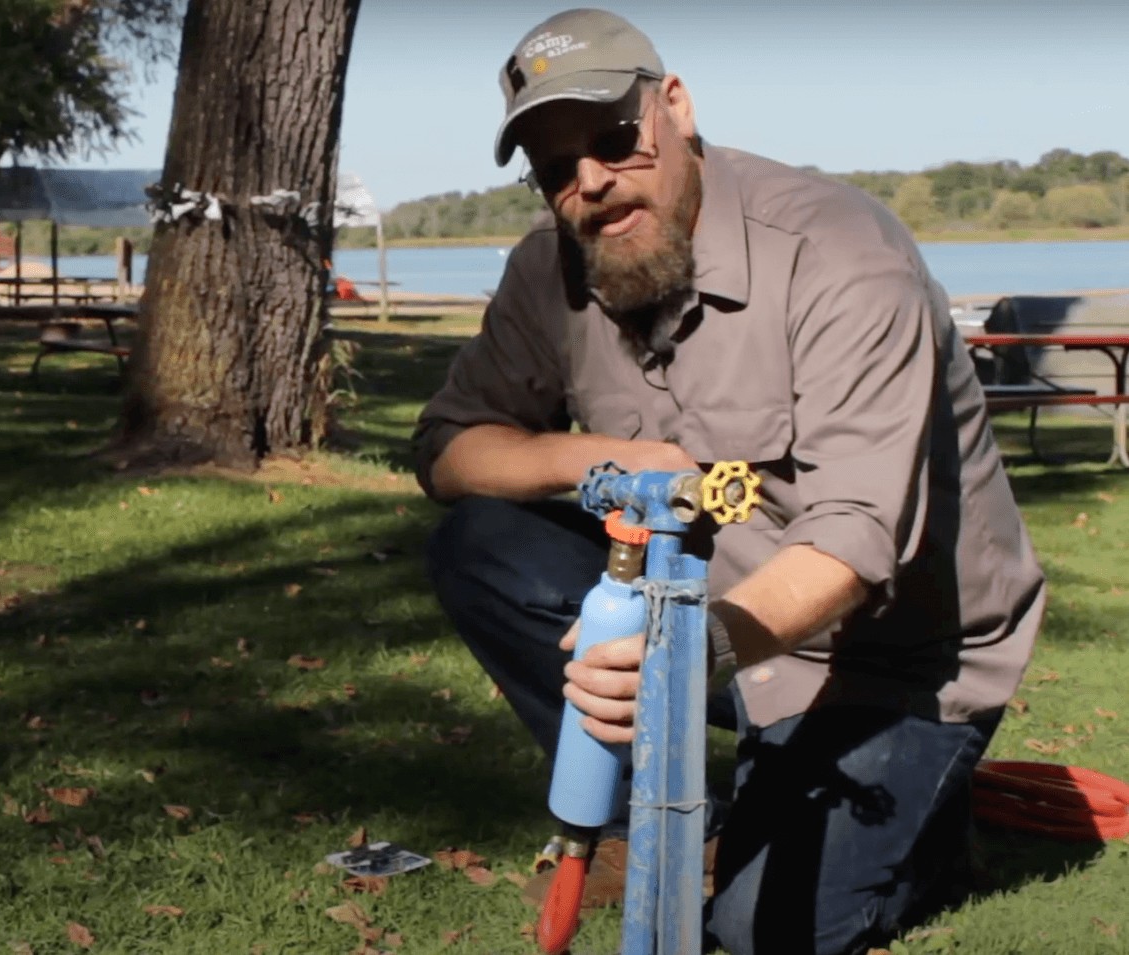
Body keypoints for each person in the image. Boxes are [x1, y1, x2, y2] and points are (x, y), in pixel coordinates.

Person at [414, 9, 1045, 955]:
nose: (590, 180)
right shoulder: (551, 267)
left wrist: (684, 650)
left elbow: (853, 535)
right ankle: (656, 818)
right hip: (718, 607)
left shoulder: (842, 255)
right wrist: (597, 459)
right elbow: (448, 449)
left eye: (614, 138)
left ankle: (926, 833)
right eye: (554, 167)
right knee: (480, 547)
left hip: (893, 658)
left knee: (756, 932)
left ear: (674, 106)